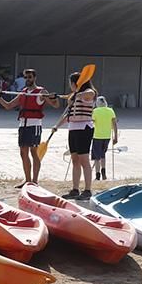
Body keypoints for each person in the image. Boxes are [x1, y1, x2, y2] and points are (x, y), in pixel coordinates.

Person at [0, 68, 58, 187]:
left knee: (33, 152)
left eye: (30, 77)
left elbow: (55, 105)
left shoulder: (41, 91)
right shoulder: (23, 92)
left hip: (34, 125)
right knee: (23, 152)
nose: (27, 79)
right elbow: (9, 106)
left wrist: (53, 97)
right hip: (23, 125)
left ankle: (34, 181)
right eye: (26, 77)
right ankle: (27, 180)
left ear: (34, 78)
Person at [51, 71, 97, 200]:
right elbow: (68, 115)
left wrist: (75, 93)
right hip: (73, 129)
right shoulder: (74, 96)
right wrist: (57, 126)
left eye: (71, 83)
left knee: (84, 160)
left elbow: (90, 94)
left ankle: (87, 190)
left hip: (84, 129)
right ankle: (75, 189)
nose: (70, 86)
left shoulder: (88, 92)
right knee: (75, 160)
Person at [91, 96, 118, 181]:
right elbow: (114, 124)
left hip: (97, 136)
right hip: (107, 136)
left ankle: (98, 175)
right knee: (103, 155)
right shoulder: (110, 111)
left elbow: (91, 123)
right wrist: (115, 136)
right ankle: (104, 173)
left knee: (96, 157)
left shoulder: (95, 111)